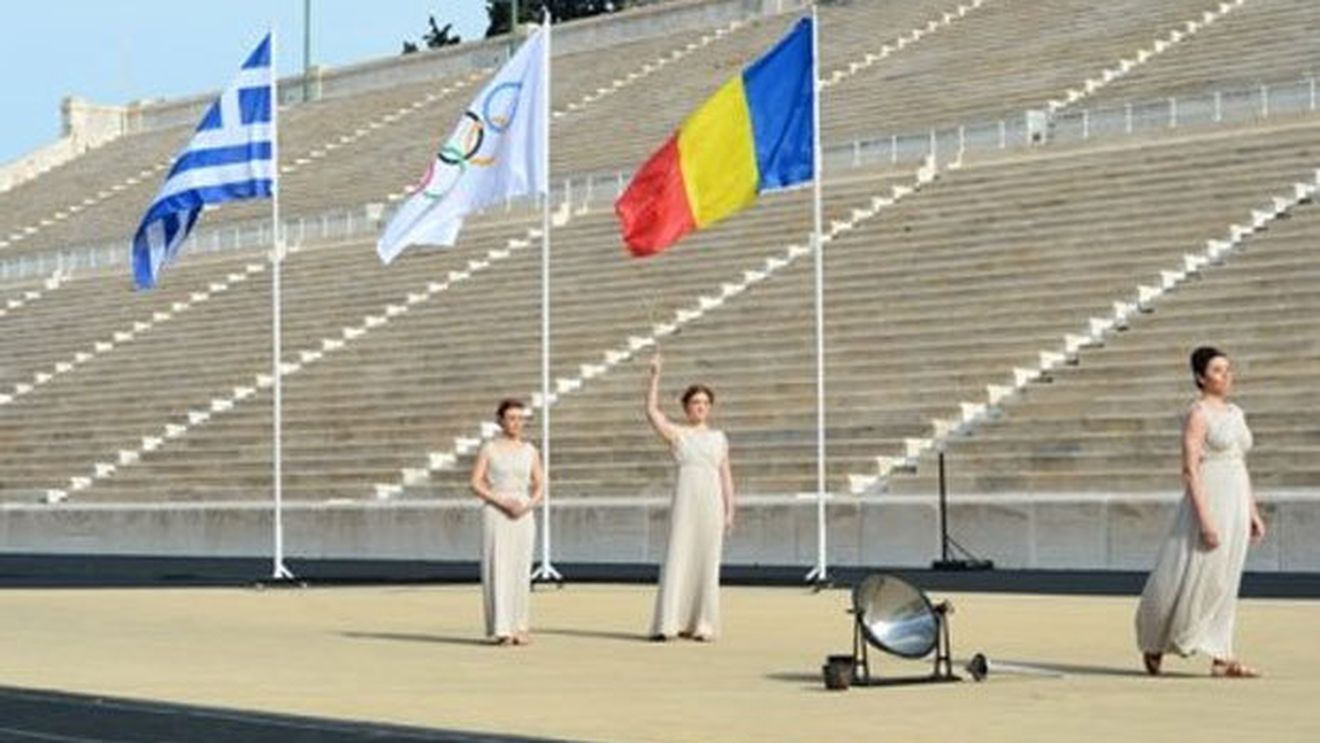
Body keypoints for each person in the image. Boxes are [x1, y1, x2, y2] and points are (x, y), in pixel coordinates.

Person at [1135, 346, 1266, 677]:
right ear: (1200, 378)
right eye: (1218, 371)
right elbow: (1191, 469)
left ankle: (1222, 655)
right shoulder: (1198, 414)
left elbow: (1240, 464)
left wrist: (1251, 511)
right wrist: (1205, 518)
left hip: (1235, 498)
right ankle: (1156, 641)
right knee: (1191, 572)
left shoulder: (1236, 413)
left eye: (1228, 369)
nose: (1226, 376)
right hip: (1210, 498)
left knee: (1226, 578)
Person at [644, 352, 736, 641]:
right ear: (686, 407)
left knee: (707, 560)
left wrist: (730, 509)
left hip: (711, 502)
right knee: (679, 554)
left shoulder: (719, 438)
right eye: (695, 402)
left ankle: (702, 623)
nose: (700, 407)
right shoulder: (678, 434)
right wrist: (655, 375)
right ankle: (669, 623)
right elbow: (651, 412)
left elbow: (726, 475)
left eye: (705, 403)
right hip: (686, 501)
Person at [470, 399, 544, 646]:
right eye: (511, 418)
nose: (516, 423)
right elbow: (476, 483)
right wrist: (500, 501)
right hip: (496, 511)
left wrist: (528, 504)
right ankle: (502, 628)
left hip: (523, 514)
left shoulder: (531, 450)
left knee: (520, 569)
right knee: (498, 567)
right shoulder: (489, 449)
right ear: (500, 421)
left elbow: (540, 484)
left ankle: (519, 626)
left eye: (520, 418)